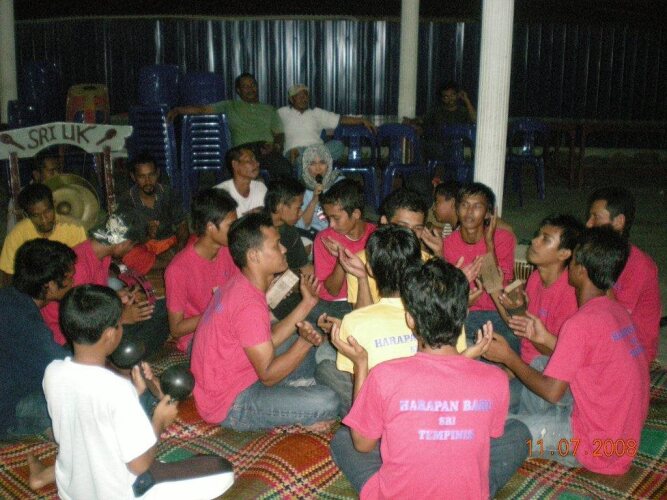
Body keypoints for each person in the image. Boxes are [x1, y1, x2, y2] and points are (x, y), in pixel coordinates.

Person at [330, 258, 529, 498]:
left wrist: (361, 363)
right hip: (466, 493)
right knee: (518, 433)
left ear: (410, 319)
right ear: (464, 314)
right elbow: (489, 434)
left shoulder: (384, 375)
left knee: (345, 437)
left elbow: (362, 445)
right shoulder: (495, 378)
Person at [39, 284, 233, 499]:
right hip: (117, 493)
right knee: (222, 470)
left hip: (72, 491)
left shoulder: (53, 372)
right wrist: (159, 421)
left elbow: (91, 409)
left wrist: (133, 392)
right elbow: (139, 465)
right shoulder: (117, 390)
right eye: (120, 324)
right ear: (110, 334)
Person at [484, 227, 650, 475]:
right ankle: (523, 415)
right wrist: (543, 338)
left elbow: (552, 392)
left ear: (580, 270)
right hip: (623, 437)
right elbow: (586, 357)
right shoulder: (614, 310)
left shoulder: (580, 323)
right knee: (541, 364)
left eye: (572, 260)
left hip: (597, 446)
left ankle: (518, 421)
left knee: (501, 430)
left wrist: (508, 357)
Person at [190, 213, 340, 431]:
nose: (284, 249)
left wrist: (308, 303)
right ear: (254, 256)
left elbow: (267, 338)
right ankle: (295, 406)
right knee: (328, 401)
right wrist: (304, 343)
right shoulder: (248, 304)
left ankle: (293, 397)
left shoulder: (241, 282)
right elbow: (268, 376)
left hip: (234, 376)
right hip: (231, 403)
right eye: (276, 245)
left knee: (302, 339)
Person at [327, 226, 466, 412]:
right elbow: (461, 364)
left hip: (383, 411)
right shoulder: (445, 310)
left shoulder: (353, 321)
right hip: (437, 404)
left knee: (325, 364)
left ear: (370, 269)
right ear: (420, 264)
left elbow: (362, 390)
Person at [41, 214, 169, 359]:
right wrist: (122, 318)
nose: (130, 250)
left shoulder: (101, 255)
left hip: (93, 320)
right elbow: (83, 323)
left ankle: (128, 356)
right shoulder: (77, 269)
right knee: (156, 317)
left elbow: (93, 298)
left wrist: (116, 296)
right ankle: (125, 362)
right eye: (131, 246)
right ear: (122, 243)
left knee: (159, 308)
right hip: (71, 339)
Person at [0, 239, 75, 438]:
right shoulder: (25, 322)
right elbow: (66, 368)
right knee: (82, 398)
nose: (73, 282)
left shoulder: (8, 297)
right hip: (8, 411)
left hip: (14, 383)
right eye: (69, 278)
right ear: (49, 286)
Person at [586, 187, 661, 363]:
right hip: (605, 333)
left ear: (619, 221)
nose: (588, 224)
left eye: (596, 217)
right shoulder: (595, 253)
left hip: (633, 348)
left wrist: (595, 272)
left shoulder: (639, 265)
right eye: (589, 217)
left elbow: (616, 318)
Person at [169, 72, 293, 179]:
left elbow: (279, 134)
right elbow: (203, 109)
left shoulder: (269, 109)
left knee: (285, 169)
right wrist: (178, 110)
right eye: (245, 86)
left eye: (252, 85)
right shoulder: (229, 105)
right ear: (238, 90)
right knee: (236, 169)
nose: (250, 89)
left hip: (265, 150)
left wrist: (275, 146)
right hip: (242, 150)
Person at [441, 182, 518, 352]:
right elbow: (449, 294)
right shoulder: (448, 244)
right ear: (456, 209)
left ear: (488, 213)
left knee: (514, 344)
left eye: (477, 206)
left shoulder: (503, 239)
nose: (469, 212)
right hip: (467, 313)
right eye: (464, 205)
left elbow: (497, 285)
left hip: (498, 312)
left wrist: (489, 244)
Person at [165, 189, 240, 353]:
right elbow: (176, 329)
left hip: (230, 325)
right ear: (210, 227)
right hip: (198, 337)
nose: (236, 230)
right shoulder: (178, 270)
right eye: (230, 225)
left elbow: (241, 288)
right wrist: (217, 313)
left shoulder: (228, 250)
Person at [343, 188, 431, 308]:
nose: (410, 234)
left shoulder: (427, 262)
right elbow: (362, 316)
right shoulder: (361, 262)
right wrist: (362, 279)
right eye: (402, 226)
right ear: (384, 222)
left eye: (417, 228)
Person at [116, 153, 189, 274]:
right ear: (133, 177)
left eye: (151, 175)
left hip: (170, 245)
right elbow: (124, 242)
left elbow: (182, 224)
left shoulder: (167, 193)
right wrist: (147, 236)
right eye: (142, 177)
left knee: (197, 241)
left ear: (158, 173)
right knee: (129, 256)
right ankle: (173, 263)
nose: (148, 181)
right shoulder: (126, 200)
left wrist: (179, 248)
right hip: (144, 247)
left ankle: (167, 262)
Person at [0, 183, 86, 285]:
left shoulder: (74, 228)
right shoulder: (16, 235)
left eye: (47, 211)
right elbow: (8, 275)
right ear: (26, 215)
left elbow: (85, 266)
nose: (44, 219)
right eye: (36, 215)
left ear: (54, 205)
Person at [313, 179, 376, 315]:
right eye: (328, 218)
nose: (331, 225)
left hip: (369, 298)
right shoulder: (324, 238)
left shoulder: (376, 236)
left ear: (356, 214)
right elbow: (333, 291)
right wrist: (341, 259)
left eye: (336, 218)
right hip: (335, 302)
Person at [278, 84, 376, 165]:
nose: (303, 99)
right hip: (295, 152)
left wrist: (362, 120)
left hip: (315, 150)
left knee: (338, 146)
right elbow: (271, 125)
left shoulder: (317, 113)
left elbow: (341, 119)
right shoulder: (282, 113)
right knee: (298, 156)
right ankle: (309, 162)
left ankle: (308, 161)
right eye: (299, 96)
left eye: (305, 96)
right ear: (291, 99)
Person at [404, 81, 477, 163]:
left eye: (452, 95)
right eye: (446, 97)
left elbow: (475, 120)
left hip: (461, 147)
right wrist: (411, 122)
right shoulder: (436, 112)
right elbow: (422, 121)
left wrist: (466, 100)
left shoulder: (464, 111)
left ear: (457, 95)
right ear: (442, 99)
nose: (450, 99)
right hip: (440, 148)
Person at [295, 144, 343, 236]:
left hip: (338, 231)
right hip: (313, 233)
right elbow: (302, 226)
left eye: (322, 162)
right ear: (306, 166)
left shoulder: (340, 183)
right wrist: (314, 200)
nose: (318, 168)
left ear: (329, 164)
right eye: (312, 163)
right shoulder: (300, 188)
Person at [215, 146, 268, 217]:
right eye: (249, 160)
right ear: (235, 165)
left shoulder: (260, 187)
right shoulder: (220, 194)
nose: (257, 164)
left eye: (255, 159)